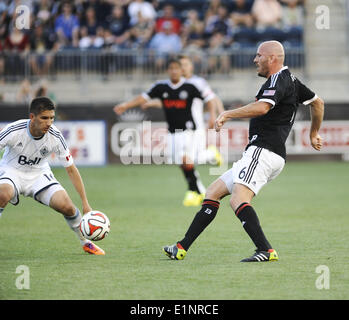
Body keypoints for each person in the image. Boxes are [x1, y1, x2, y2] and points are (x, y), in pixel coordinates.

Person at [163, 40, 324, 262]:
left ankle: (265, 250)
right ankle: (181, 247)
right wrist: (313, 133)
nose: (255, 59)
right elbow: (318, 103)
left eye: (259, 56)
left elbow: (262, 107)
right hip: (263, 152)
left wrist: (227, 114)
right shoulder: (290, 81)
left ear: (272, 58)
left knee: (237, 200)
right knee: (212, 192)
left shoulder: (279, 79)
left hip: (264, 151)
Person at [0, 97, 105, 255]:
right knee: (3, 194)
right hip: (11, 171)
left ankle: (86, 242)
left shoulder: (55, 136)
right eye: (44, 118)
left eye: (51, 118)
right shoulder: (14, 130)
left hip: (39, 174)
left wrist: (85, 203)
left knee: (68, 207)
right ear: (32, 117)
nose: (49, 123)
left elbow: (71, 169)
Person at [114, 59, 221, 207]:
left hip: (189, 129)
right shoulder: (161, 87)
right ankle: (199, 188)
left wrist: (213, 115)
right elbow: (144, 97)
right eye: (171, 69)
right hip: (172, 131)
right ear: (168, 71)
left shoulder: (190, 86)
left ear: (180, 71)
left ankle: (195, 189)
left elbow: (209, 98)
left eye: (177, 69)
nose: (174, 71)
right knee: (181, 162)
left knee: (186, 159)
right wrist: (126, 105)